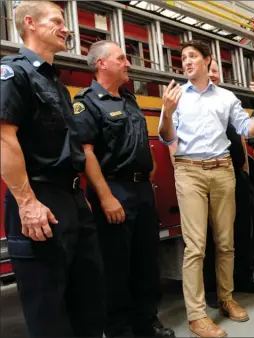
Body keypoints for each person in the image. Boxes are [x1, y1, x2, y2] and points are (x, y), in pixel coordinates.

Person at [0, 2, 104, 337]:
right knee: (49, 314)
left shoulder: (57, 85)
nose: (67, 29)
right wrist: (27, 203)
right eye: (58, 21)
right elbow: (4, 138)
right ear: (29, 23)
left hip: (71, 200)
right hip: (39, 200)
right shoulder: (13, 72)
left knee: (88, 303)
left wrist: (78, 196)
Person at [158, 39, 254, 337]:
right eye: (182, 57)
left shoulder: (226, 97)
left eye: (192, 56)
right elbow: (165, 136)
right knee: (195, 247)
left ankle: (226, 298)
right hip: (189, 171)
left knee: (226, 241)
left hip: (223, 170)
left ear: (208, 60)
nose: (186, 61)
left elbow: (248, 130)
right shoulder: (175, 96)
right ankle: (196, 316)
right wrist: (167, 112)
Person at [71, 41, 174, 338]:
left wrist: (149, 170)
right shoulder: (87, 101)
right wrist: (105, 197)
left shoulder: (129, 99)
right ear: (101, 63)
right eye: (121, 58)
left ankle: (147, 321)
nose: (128, 63)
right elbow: (86, 152)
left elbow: (140, 139)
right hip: (114, 190)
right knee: (116, 266)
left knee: (145, 261)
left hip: (141, 190)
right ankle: (119, 330)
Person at [204, 59, 254, 310]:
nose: (214, 75)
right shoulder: (192, 102)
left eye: (217, 71)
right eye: (210, 70)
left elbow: (241, 135)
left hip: (235, 173)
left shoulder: (227, 100)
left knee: (241, 229)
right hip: (210, 175)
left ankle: (242, 278)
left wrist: (244, 169)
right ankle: (211, 289)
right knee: (211, 236)